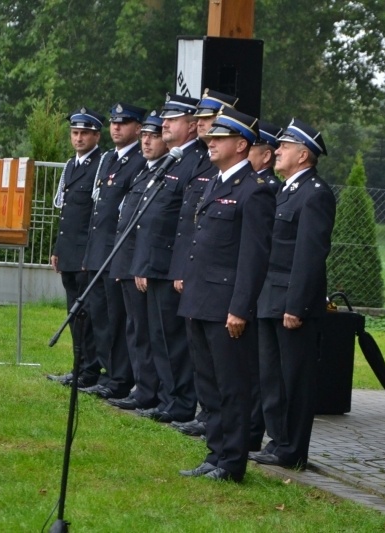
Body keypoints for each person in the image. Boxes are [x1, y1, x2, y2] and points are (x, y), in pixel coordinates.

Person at [177, 107, 275, 482]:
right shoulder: (215, 182)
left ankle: (232, 462)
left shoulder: (255, 191)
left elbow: (253, 258)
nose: (211, 143)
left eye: (219, 139)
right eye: (211, 138)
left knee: (232, 386)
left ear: (240, 144)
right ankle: (215, 453)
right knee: (209, 385)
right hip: (200, 300)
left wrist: (240, 308)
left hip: (226, 307)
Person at [250, 118, 335, 470]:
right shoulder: (285, 190)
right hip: (270, 296)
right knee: (271, 375)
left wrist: (296, 304)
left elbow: (309, 254)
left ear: (303, 155)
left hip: (291, 301)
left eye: (284, 147)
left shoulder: (315, 193)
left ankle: (293, 448)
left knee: (294, 378)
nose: (277, 151)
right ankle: (278, 440)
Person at [132, 93, 210, 424]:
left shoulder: (197, 161)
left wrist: (178, 267)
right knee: (159, 337)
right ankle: (168, 398)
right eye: (165, 118)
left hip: (171, 263)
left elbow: (185, 222)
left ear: (192, 126)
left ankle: (179, 402)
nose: (165, 124)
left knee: (172, 340)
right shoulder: (175, 159)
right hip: (157, 262)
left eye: (173, 119)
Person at [170, 89, 236, 437]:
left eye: (211, 125)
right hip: (198, 277)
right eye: (201, 123)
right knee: (203, 363)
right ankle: (210, 426)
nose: (204, 130)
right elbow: (190, 225)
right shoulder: (197, 162)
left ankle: (225, 436)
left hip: (221, 287)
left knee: (226, 373)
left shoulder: (247, 185)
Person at [79, 103, 147, 400]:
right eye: (114, 123)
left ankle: (120, 377)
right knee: (100, 317)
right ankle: (109, 372)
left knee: (118, 320)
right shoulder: (110, 159)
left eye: (124, 123)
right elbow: (99, 208)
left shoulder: (139, 160)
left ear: (137, 127)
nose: (116, 127)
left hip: (117, 253)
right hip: (99, 250)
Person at [107, 111, 169, 412]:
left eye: (153, 136)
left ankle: (149, 391)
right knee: (134, 328)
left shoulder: (163, 172)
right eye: (144, 135)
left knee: (146, 331)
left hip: (142, 265)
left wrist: (138, 265)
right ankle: (142, 387)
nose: (146, 141)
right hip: (129, 261)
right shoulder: (145, 171)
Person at [46, 108, 105, 388]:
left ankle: (90, 370)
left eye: (84, 133)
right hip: (68, 251)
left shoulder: (100, 165)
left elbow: (95, 216)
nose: (78, 138)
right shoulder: (71, 165)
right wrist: (57, 249)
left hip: (84, 254)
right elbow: (66, 215)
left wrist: (88, 254)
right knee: (73, 315)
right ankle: (78, 367)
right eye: (75, 133)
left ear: (96, 135)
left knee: (86, 315)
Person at [248, 121, 283, 194]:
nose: (242, 152)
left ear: (266, 156)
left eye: (248, 149)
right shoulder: (249, 179)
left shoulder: (267, 187)